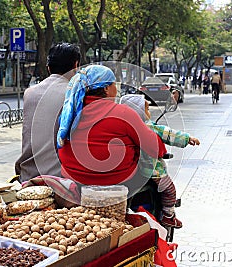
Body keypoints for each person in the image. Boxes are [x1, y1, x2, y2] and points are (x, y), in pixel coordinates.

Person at [57, 65, 167, 192]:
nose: (116, 89)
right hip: (119, 180)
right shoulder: (124, 113)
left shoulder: (69, 114)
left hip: (74, 180)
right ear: (106, 89)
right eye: (114, 84)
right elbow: (154, 147)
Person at [119, 94, 200, 228]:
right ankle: (168, 215)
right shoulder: (147, 127)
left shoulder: (123, 127)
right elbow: (169, 134)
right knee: (170, 190)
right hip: (153, 172)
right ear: (138, 112)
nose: (149, 112)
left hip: (130, 172)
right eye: (146, 109)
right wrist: (187, 138)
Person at [15, 43, 81, 182]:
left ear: (49, 67)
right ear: (76, 66)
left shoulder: (30, 93)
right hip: (60, 181)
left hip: (27, 175)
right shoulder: (76, 95)